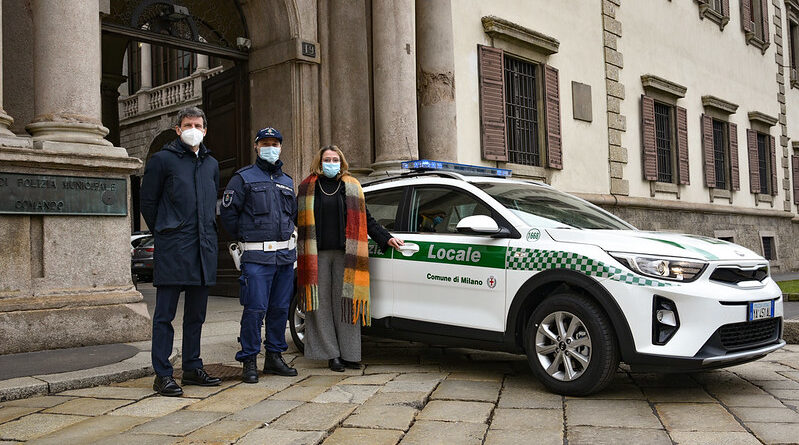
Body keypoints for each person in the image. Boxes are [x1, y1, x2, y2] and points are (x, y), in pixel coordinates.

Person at [296, 145, 403, 371]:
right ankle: (332, 354)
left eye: (335, 159)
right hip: (317, 255)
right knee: (321, 305)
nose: (331, 163)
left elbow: (366, 219)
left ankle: (349, 353)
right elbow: (296, 217)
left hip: (347, 255)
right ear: (319, 162)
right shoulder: (307, 187)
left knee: (347, 303)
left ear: (341, 162)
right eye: (327, 159)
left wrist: (386, 238)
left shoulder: (352, 186)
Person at [140, 106, 221, 397]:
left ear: (205, 130)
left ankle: (192, 367)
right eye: (187, 125)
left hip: (203, 248)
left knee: (196, 315)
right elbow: (148, 201)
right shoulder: (163, 160)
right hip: (174, 248)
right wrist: (165, 230)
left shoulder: (211, 164)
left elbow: (211, 202)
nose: (192, 129)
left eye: (198, 125)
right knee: (165, 315)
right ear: (178, 129)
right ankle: (162, 374)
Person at [219, 127, 298, 383]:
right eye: (265, 143)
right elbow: (228, 215)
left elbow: (292, 215)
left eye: (274, 144)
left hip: (284, 258)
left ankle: (274, 357)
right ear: (256, 146)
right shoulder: (242, 178)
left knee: (280, 309)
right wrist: (246, 237)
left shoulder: (287, 181)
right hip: (256, 258)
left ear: (281, 147)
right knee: (255, 310)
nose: (270, 148)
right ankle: (249, 360)